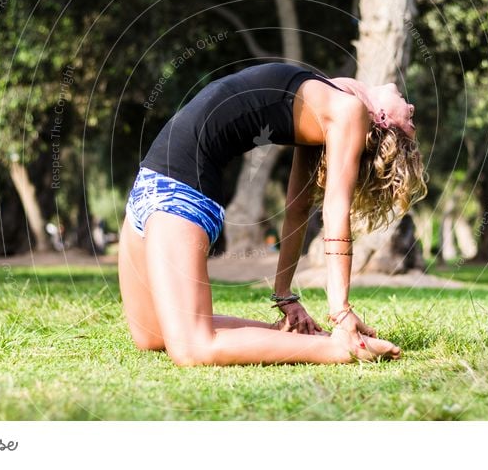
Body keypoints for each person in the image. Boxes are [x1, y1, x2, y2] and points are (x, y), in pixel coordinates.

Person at [118, 63, 427, 366]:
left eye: (409, 123)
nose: (412, 108)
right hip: (149, 182)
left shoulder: (350, 111)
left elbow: (335, 212)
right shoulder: (325, 98)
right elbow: (296, 210)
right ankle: (296, 339)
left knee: (191, 349)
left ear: (382, 119)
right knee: (151, 335)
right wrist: (284, 296)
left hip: (181, 192)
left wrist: (341, 311)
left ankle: (341, 349)